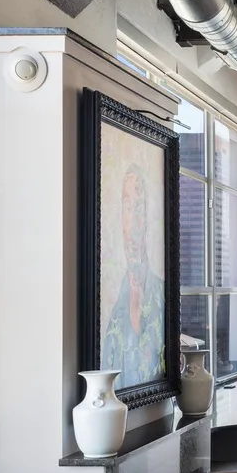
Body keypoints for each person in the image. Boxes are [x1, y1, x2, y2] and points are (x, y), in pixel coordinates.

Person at [102, 165, 166, 389]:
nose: (132, 226)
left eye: (138, 209)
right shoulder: (113, 323)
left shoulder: (163, 298)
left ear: (146, 218)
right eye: (127, 208)